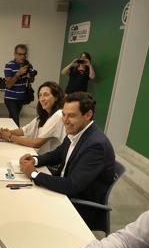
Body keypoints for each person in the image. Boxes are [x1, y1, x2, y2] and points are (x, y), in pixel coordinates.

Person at [19, 92, 115, 225]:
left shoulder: (96, 145)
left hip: (78, 207)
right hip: (64, 193)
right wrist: (35, 160)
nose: (64, 121)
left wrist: (34, 174)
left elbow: (72, 186)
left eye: (71, 116)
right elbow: (58, 153)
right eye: (63, 114)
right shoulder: (77, 131)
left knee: (26, 213)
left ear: (88, 115)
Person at [0, 81, 65, 154]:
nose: (42, 99)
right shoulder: (44, 116)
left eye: (46, 95)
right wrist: (6, 133)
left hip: (51, 163)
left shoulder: (58, 115)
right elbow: (25, 130)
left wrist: (10, 137)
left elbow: (36, 143)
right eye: (40, 95)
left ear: (56, 97)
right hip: (41, 156)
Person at [3, 44, 36, 126]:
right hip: (10, 98)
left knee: (12, 119)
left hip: (21, 98)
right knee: (16, 121)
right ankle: (15, 137)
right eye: (20, 54)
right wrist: (18, 73)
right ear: (15, 54)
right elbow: (8, 85)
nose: (22, 56)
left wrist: (31, 76)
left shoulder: (27, 65)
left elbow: (32, 81)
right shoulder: (9, 65)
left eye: (24, 54)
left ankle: (8, 134)